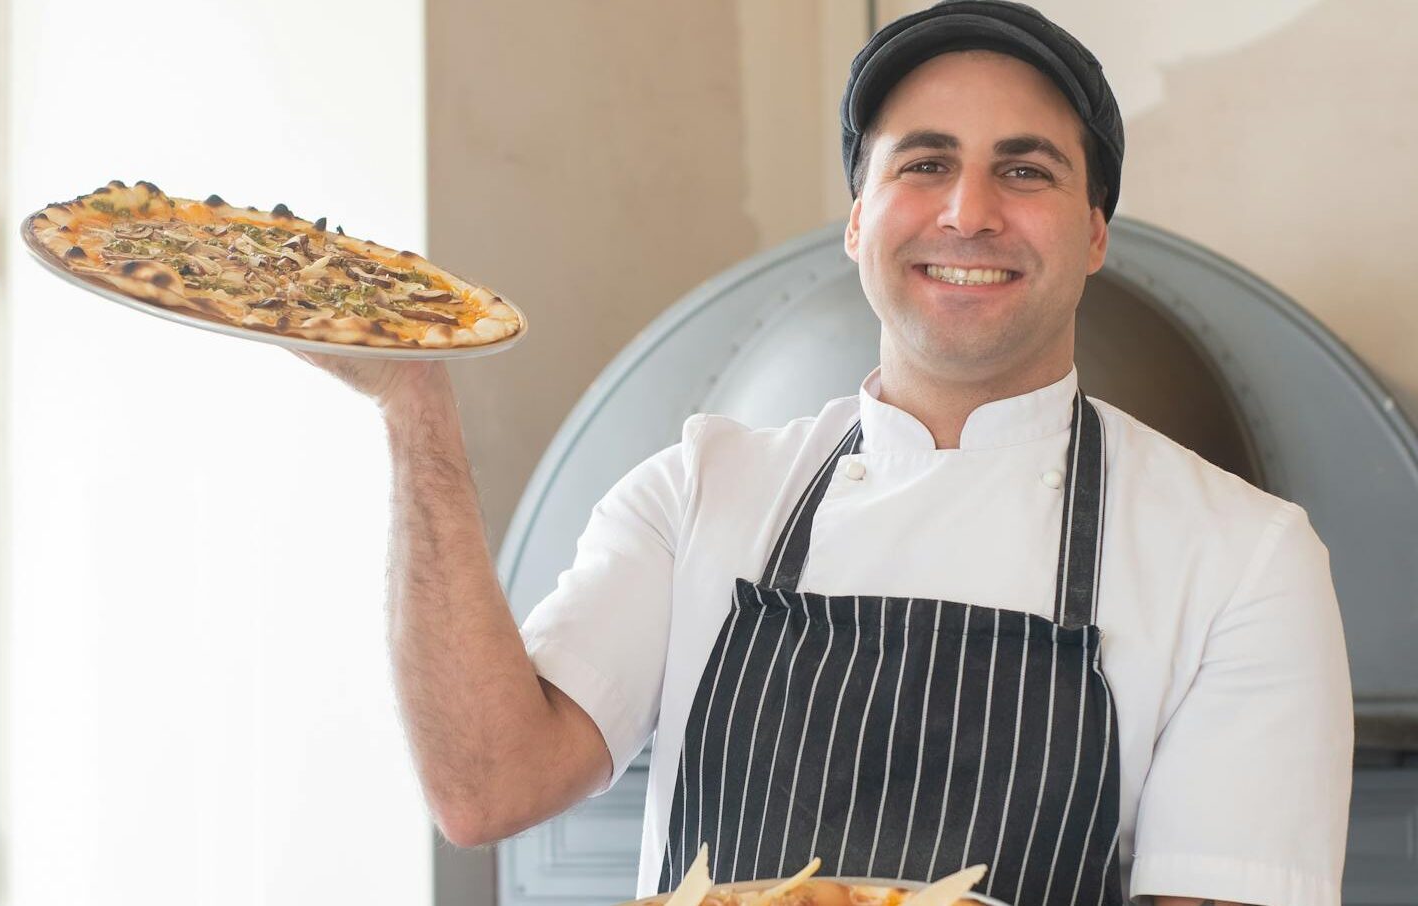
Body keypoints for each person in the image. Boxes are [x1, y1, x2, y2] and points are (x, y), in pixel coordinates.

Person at [300, 2, 1353, 903]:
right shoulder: (700, 492)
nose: (968, 212)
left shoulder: (1241, 557)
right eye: (925, 163)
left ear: (1093, 234)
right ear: (858, 223)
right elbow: (485, 789)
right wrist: (414, 411)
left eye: (1024, 170)